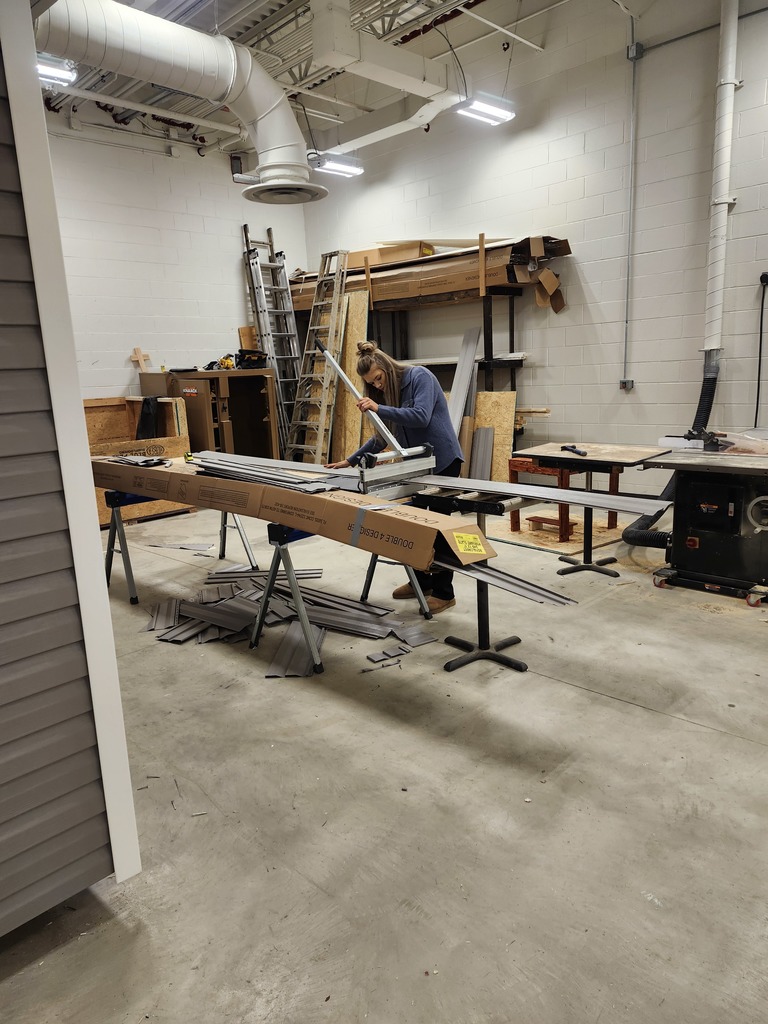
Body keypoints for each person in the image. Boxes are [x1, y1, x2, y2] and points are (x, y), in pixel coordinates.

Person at [326, 341, 463, 613]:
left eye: (378, 378)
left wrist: (378, 407)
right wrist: (349, 460)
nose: (377, 385)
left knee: (439, 530)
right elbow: (382, 437)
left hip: (444, 462)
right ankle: (421, 582)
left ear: (387, 366)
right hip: (417, 467)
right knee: (415, 526)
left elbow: (421, 417)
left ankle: (445, 593)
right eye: (371, 383)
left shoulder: (419, 377)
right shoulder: (387, 393)